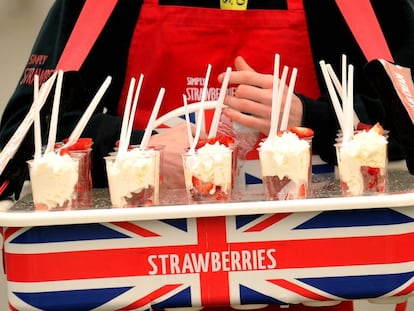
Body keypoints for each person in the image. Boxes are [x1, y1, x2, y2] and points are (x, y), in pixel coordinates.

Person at [0, 0, 414, 311]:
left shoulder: (357, 5)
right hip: (140, 282)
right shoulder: (104, 5)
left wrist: (313, 118)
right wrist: (136, 150)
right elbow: (19, 135)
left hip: (312, 282)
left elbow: (406, 119)